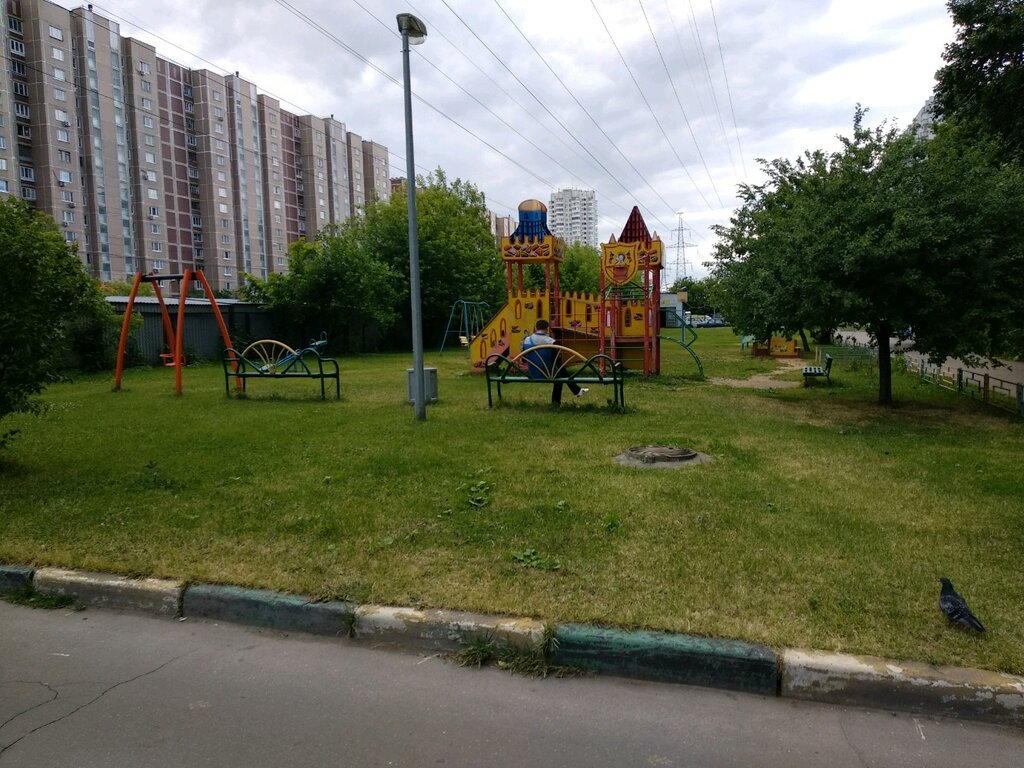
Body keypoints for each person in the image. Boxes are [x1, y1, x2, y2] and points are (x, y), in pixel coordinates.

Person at [521, 319, 588, 405]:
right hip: (548, 373)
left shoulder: (526, 340)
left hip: (533, 373)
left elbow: (523, 359)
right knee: (561, 373)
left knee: (561, 371)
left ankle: (577, 391)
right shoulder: (551, 342)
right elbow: (556, 360)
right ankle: (559, 400)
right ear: (547, 329)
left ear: (535, 328)